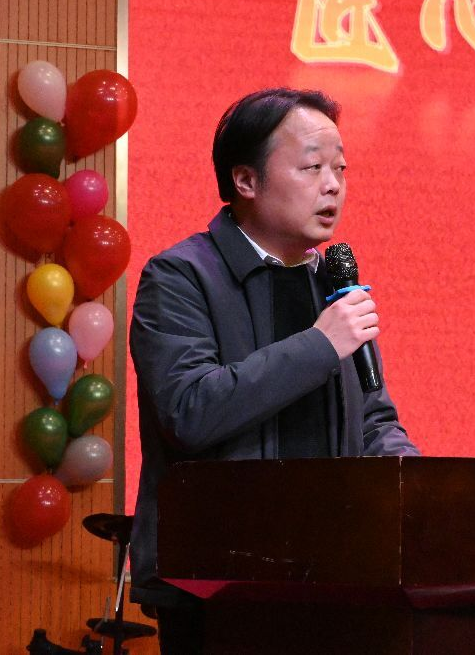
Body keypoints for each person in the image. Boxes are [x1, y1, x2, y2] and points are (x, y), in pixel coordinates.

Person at [128, 87, 419, 653]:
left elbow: (373, 419)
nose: (332, 185)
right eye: (312, 167)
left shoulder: (333, 285)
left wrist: (417, 486)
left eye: (340, 169)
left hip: (338, 578)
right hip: (218, 585)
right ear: (246, 180)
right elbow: (189, 411)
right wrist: (319, 345)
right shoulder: (181, 276)